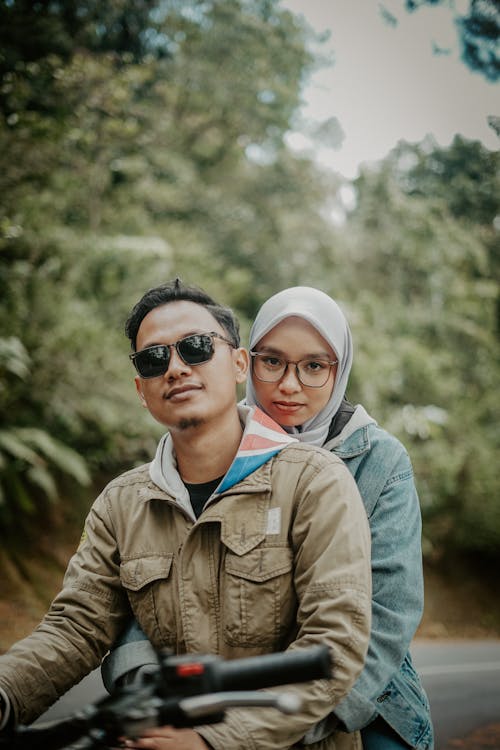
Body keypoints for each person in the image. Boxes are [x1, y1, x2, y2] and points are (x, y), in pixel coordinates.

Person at [0, 279, 372, 750]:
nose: (175, 368)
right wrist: (5, 692)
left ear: (239, 364)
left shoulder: (315, 482)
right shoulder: (122, 504)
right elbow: (75, 626)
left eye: (196, 348)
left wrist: (210, 740)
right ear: (141, 389)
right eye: (155, 359)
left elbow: (334, 646)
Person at [105, 285, 433, 750]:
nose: (289, 385)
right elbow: (153, 594)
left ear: (340, 370)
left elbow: (387, 613)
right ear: (246, 362)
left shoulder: (379, 461)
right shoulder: (211, 451)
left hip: (358, 694)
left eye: (314, 366)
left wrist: (286, 721)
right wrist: (147, 693)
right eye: (273, 361)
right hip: (217, 694)